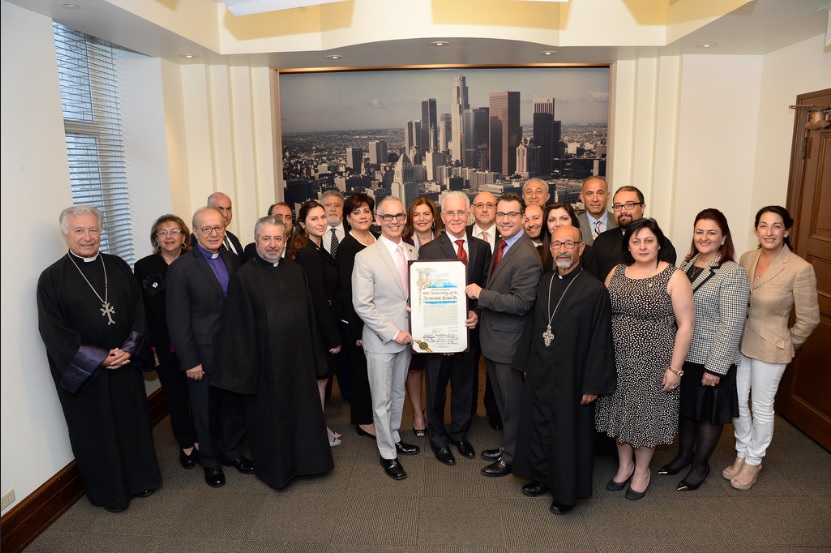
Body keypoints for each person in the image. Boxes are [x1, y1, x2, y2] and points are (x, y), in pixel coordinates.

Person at [37, 205, 161, 513]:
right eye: (79, 230)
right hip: (88, 374)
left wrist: (130, 348)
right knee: (98, 432)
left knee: (131, 422)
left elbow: (138, 311)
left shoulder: (117, 266)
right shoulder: (52, 278)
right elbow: (55, 332)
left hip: (124, 363)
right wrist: (99, 358)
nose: (87, 237)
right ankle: (111, 492)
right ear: (65, 233)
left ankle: (141, 479)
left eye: (93, 229)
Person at [212, 216, 335, 489]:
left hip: (298, 360)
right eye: (266, 239)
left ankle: (309, 462)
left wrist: (316, 357)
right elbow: (237, 327)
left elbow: (309, 315)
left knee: (302, 412)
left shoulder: (295, 271)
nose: (272, 244)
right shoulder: (244, 277)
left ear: (286, 240)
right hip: (266, 365)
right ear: (256, 241)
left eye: (278, 238)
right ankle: (279, 471)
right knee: (273, 421)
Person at [513, 225, 615, 515]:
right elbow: (535, 328)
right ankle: (542, 477)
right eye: (557, 244)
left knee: (567, 432)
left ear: (581, 248)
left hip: (573, 375)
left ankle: (566, 492)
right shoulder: (545, 281)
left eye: (569, 244)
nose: (562, 250)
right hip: (542, 370)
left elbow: (601, 340)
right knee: (539, 424)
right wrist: (525, 364)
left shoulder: (594, 289)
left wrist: (592, 383)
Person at [595, 218, 694, 500]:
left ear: (659, 243)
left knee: (646, 418)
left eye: (648, 240)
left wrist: (675, 369)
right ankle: (625, 466)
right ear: (627, 245)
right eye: (636, 241)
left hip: (656, 361)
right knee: (619, 413)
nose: (642, 246)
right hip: (616, 359)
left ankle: (642, 471)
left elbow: (686, 324)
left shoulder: (674, 276)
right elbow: (601, 311)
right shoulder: (617, 271)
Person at [724, 205, 819, 491]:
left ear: (786, 231)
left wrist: (786, 343)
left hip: (772, 347)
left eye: (776, 226)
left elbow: (810, 318)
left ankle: (754, 460)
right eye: (763, 225)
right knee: (737, 401)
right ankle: (742, 451)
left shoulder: (800, 268)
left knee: (762, 406)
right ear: (756, 230)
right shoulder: (747, 258)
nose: (769, 232)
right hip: (743, 341)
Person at [657, 209, 749, 491]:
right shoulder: (685, 266)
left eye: (712, 232)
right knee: (687, 411)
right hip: (685, 354)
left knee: (708, 415)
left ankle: (700, 464)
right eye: (700, 231)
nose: (704, 237)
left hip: (711, 357)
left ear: (723, 237)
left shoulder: (732, 272)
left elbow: (731, 323)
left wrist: (715, 367)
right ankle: (683, 455)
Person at [167, 206, 253, 488]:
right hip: (202, 354)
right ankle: (211, 461)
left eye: (218, 228)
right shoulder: (181, 268)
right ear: (193, 232)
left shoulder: (231, 258)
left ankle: (231, 451)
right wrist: (190, 360)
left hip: (232, 351)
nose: (214, 233)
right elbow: (177, 321)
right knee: (204, 410)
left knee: (233, 405)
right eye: (207, 228)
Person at [465, 193, 542, 477]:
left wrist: (482, 296)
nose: (505, 220)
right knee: (502, 401)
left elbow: (522, 303)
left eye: (512, 215)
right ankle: (508, 446)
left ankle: (512, 456)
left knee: (512, 406)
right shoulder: (503, 245)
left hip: (509, 343)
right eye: (501, 215)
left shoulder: (526, 255)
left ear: (523, 218)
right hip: (495, 339)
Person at [418, 191, 491, 466]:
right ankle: (438, 438)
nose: (456, 218)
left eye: (461, 212)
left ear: (469, 214)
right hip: (439, 336)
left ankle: (459, 433)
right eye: (450, 213)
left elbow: (486, 286)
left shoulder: (482, 248)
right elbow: (425, 295)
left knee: (466, 386)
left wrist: (478, 313)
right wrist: (441, 337)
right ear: (442, 215)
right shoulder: (429, 250)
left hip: (468, 332)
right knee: (436, 388)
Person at [352, 197, 421, 480]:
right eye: (388, 217)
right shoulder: (365, 256)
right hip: (383, 340)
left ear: (405, 218)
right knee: (380, 400)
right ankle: (387, 454)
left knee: (397, 393)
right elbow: (362, 304)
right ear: (378, 220)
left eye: (399, 216)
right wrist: (395, 332)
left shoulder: (411, 250)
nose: (394, 221)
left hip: (408, 337)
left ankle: (394, 437)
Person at [134, 214, 198, 470]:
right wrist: (150, 347)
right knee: (176, 397)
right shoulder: (143, 267)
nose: (169, 236)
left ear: (184, 237)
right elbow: (140, 312)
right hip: (164, 347)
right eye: (163, 232)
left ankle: (203, 439)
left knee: (201, 396)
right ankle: (186, 444)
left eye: (175, 231)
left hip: (196, 344)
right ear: (156, 239)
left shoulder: (196, 262)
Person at [288, 200, 344, 447]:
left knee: (318, 380)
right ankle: (317, 434)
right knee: (318, 381)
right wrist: (332, 336)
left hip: (318, 323)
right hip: (316, 327)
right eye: (314, 219)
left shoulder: (315, 248)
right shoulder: (309, 253)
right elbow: (319, 300)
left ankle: (318, 429)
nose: (321, 222)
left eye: (323, 217)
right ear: (302, 223)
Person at [336, 193, 378, 440]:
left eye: (366, 211)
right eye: (356, 212)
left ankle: (373, 415)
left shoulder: (376, 238)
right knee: (362, 374)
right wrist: (358, 332)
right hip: (359, 323)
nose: (363, 216)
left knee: (376, 373)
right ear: (348, 219)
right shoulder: (347, 248)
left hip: (378, 318)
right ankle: (363, 421)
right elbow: (348, 292)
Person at [402, 196, 442, 438]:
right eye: (416, 214)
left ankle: (432, 411)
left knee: (437, 367)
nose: (422, 219)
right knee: (415, 367)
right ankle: (418, 413)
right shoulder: (403, 243)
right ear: (410, 218)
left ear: (434, 216)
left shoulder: (445, 241)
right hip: (412, 313)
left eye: (426, 213)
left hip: (439, 313)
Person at [587, 186, 676, 281]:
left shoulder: (660, 243)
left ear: (642, 208)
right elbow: (592, 280)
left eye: (629, 205)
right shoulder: (602, 241)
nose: (623, 211)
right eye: (617, 206)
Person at [467, 191, 502, 429]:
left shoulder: (508, 233)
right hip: (469, 316)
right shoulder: (462, 235)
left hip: (499, 314)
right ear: (472, 209)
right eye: (480, 205)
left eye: (490, 205)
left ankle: (494, 412)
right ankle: (467, 414)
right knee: (468, 368)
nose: (485, 209)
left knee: (496, 368)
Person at [540, 202, 596, 275]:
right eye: (552, 220)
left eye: (564, 218)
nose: (558, 224)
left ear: (573, 222)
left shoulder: (587, 253)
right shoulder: (539, 253)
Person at [577, 176, 617, 245]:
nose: (595, 199)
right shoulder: (574, 224)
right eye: (590, 193)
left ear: (608, 196)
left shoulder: (618, 222)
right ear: (582, 198)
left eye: (600, 193)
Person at [207, 192, 244, 258]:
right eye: (220, 209)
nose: (225, 214)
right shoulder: (201, 239)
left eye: (228, 209)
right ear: (209, 210)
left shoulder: (233, 239)